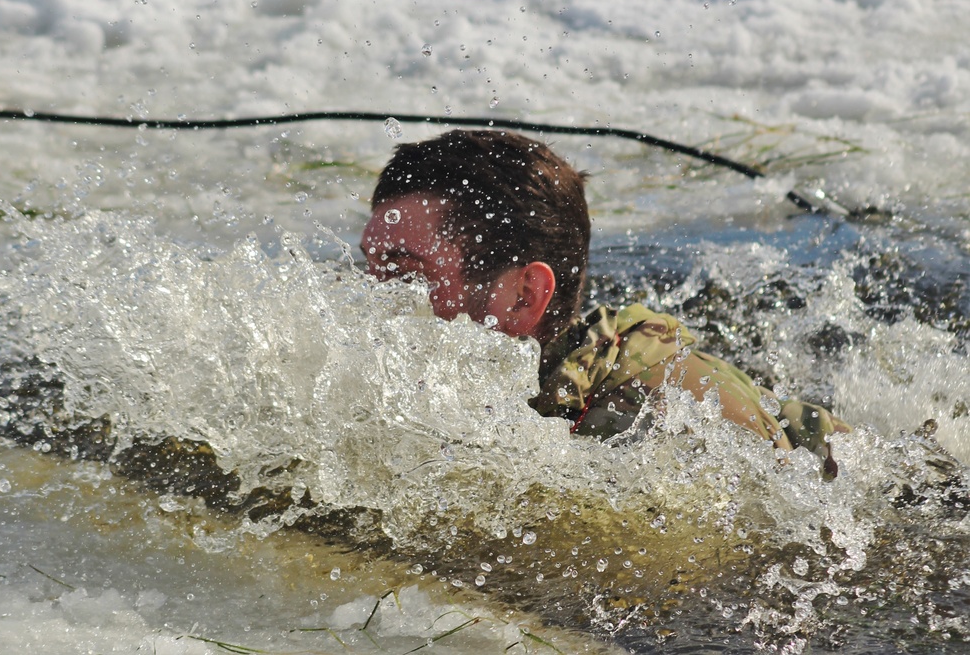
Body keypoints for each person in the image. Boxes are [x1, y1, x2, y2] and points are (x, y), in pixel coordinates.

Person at [360, 129, 851, 478]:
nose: (369, 297)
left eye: (406, 274)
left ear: (524, 296)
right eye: (369, 267)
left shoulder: (651, 433)